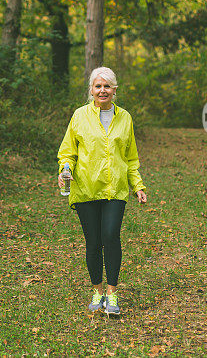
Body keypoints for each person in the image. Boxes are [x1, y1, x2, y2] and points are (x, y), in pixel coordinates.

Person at [57, 67, 147, 316]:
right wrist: (65, 168)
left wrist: (137, 185)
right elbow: (68, 151)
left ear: (114, 90)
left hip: (115, 189)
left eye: (107, 86)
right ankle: (97, 289)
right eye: (98, 86)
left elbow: (130, 157)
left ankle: (112, 293)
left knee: (110, 236)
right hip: (86, 189)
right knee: (93, 242)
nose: (103, 90)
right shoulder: (79, 116)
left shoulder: (125, 118)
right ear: (91, 90)